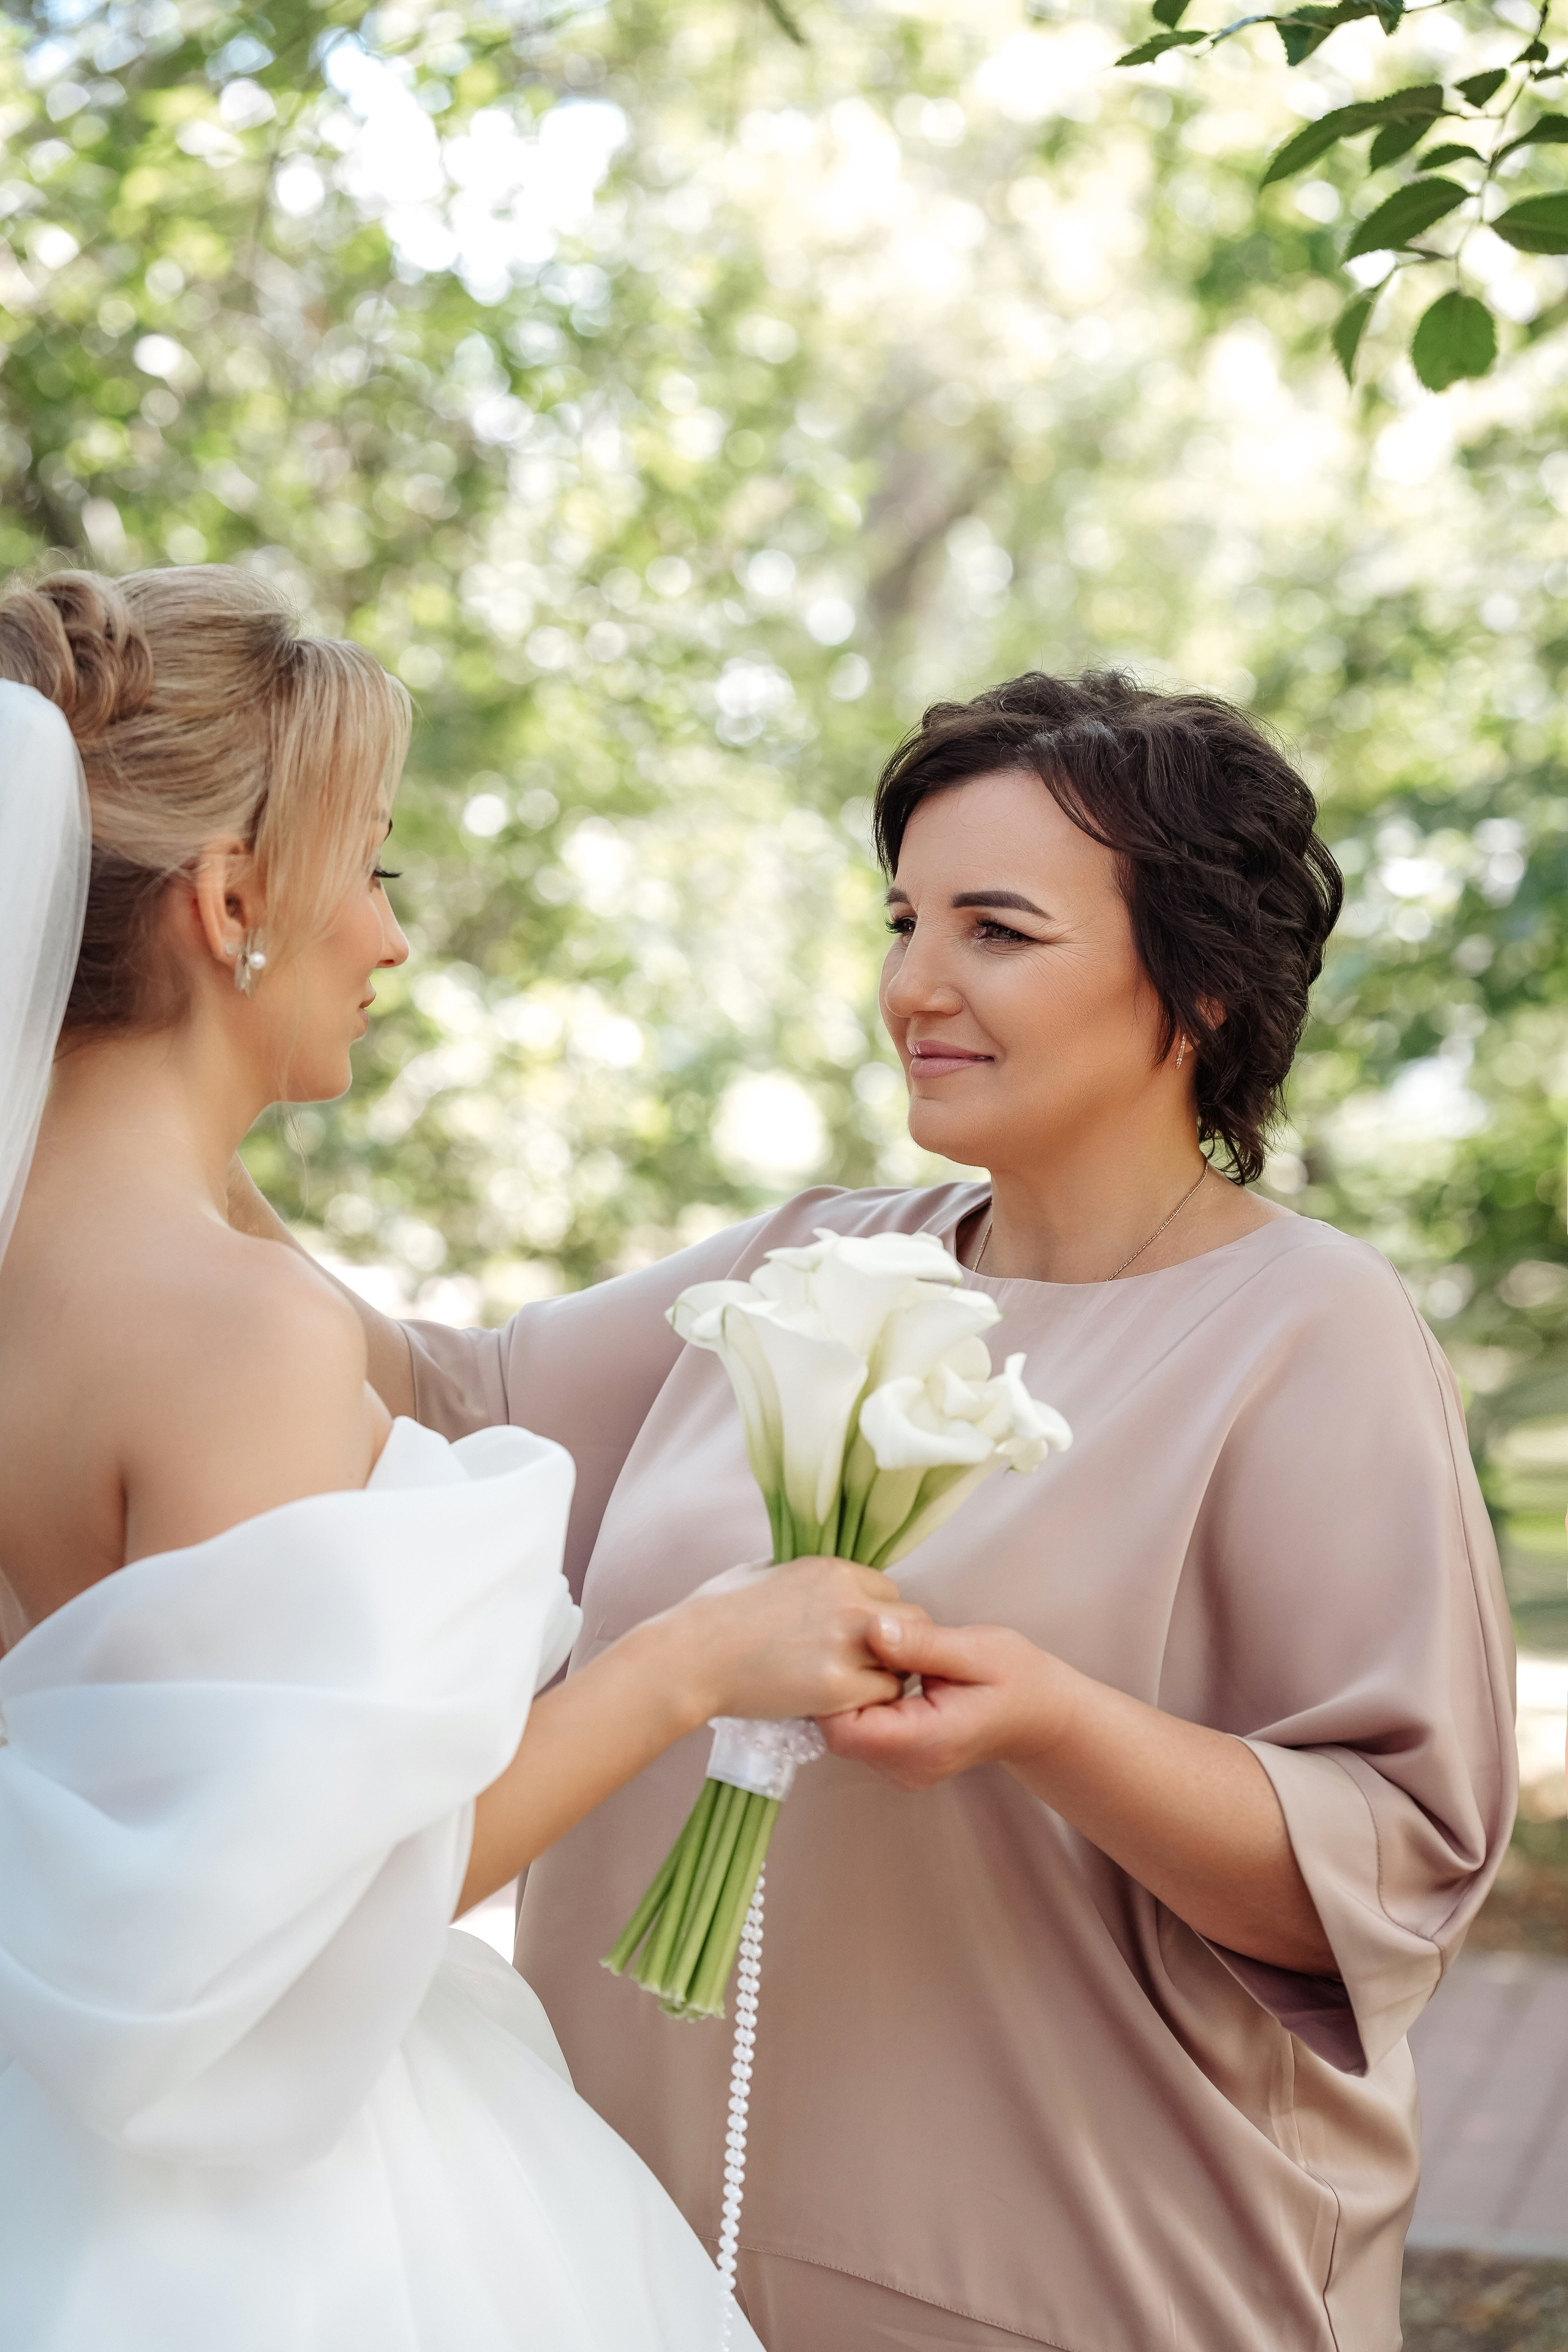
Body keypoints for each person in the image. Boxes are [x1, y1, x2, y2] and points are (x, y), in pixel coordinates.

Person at [238, 667, 1517, 2352]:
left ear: (1197, 984)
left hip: (1078, 2273)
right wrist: (152, 1126)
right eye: (905, 918)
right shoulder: (813, 1265)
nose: (916, 983)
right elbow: (438, 1395)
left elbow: (1393, 1864)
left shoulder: (1308, 1332)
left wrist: (1051, 1722)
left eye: (997, 930)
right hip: (627, 2262)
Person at [0, 565, 933, 2352]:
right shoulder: (235, 1331)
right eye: (376, 870)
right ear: (230, 896)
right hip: (294, 2226)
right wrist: (698, 1663)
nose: (393, 940)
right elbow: (285, 1934)